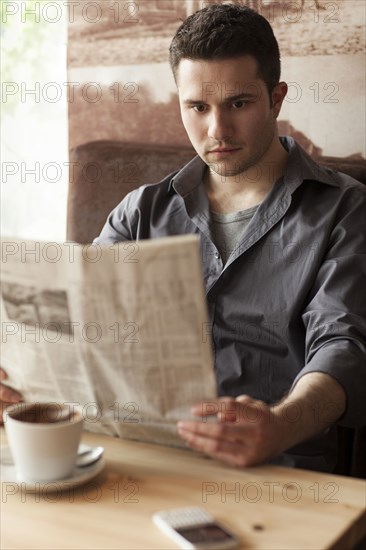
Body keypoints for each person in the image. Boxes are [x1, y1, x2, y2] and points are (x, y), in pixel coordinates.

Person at [2, 4, 365, 471]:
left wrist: (280, 424)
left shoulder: (345, 209)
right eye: (197, 107)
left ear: (276, 99)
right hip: (141, 460)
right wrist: (19, 382)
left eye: (238, 103)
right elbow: (81, 332)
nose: (218, 130)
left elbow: (344, 344)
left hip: (277, 468)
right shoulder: (140, 212)